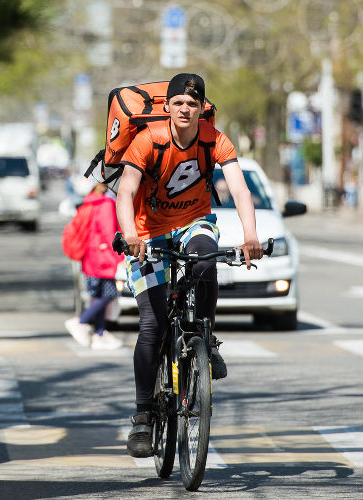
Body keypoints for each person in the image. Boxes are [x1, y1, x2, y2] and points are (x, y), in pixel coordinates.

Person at [115, 73, 263, 457]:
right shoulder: (148, 141)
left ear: (201, 108)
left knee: (206, 257)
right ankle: (143, 418)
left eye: (192, 104)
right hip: (147, 233)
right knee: (153, 324)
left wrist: (250, 237)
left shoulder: (216, 140)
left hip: (193, 222)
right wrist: (130, 234)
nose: (185, 109)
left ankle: (206, 339)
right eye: (178, 103)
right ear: (167, 107)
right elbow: (127, 189)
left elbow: (240, 189)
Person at [64, 182, 125, 350]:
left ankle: (99, 334)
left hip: (92, 257)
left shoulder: (90, 201)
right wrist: (118, 256)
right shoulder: (105, 204)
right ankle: (81, 321)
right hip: (103, 257)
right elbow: (107, 234)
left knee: (98, 296)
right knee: (109, 294)